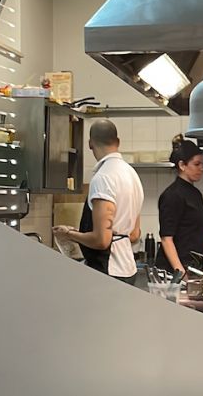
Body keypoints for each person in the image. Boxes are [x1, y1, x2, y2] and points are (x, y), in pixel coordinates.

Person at [53, 119, 143, 285]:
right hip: (128, 269)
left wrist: (68, 234)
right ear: (118, 142)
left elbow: (102, 240)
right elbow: (134, 234)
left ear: (90, 144)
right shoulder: (132, 175)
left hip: (108, 270)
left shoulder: (103, 178)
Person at [155, 135, 203, 276]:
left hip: (194, 268)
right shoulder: (172, 195)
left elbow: (198, 230)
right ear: (182, 165)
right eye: (197, 164)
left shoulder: (195, 194)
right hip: (174, 272)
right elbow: (166, 238)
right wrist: (180, 272)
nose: (202, 168)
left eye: (202, 164)